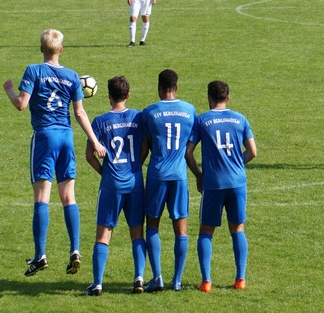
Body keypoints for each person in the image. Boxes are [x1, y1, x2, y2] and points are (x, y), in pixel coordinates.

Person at [3, 29, 106, 277]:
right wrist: (94, 141)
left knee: (42, 198)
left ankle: (40, 255)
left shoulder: (34, 71)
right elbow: (80, 113)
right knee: (69, 197)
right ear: (61, 49)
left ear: (41, 49)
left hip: (45, 137)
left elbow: (21, 104)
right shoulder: (71, 76)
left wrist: (8, 89)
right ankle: (75, 250)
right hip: (66, 137)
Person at [185, 81, 257, 292]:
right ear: (228, 98)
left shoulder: (202, 120)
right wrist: (235, 164)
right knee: (237, 229)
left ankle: (207, 281)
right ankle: (240, 279)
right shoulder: (240, 118)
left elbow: (188, 152)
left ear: (208, 98)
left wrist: (198, 175)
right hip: (237, 182)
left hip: (213, 183)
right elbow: (253, 151)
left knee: (206, 231)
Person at [84, 76, 147, 296]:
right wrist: (137, 165)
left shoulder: (100, 122)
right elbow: (145, 146)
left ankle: (98, 283)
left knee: (103, 235)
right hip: (135, 183)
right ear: (128, 95)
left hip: (111, 184)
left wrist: (105, 172)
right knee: (137, 232)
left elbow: (89, 156)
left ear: (108, 96)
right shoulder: (138, 117)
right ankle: (139, 278)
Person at [140, 69, 197, 291]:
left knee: (152, 225)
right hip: (180, 176)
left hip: (157, 174)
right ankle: (178, 280)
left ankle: (157, 277)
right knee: (180, 229)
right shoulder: (190, 111)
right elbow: (190, 145)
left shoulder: (149, 112)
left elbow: (146, 146)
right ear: (177, 87)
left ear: (158, 87)